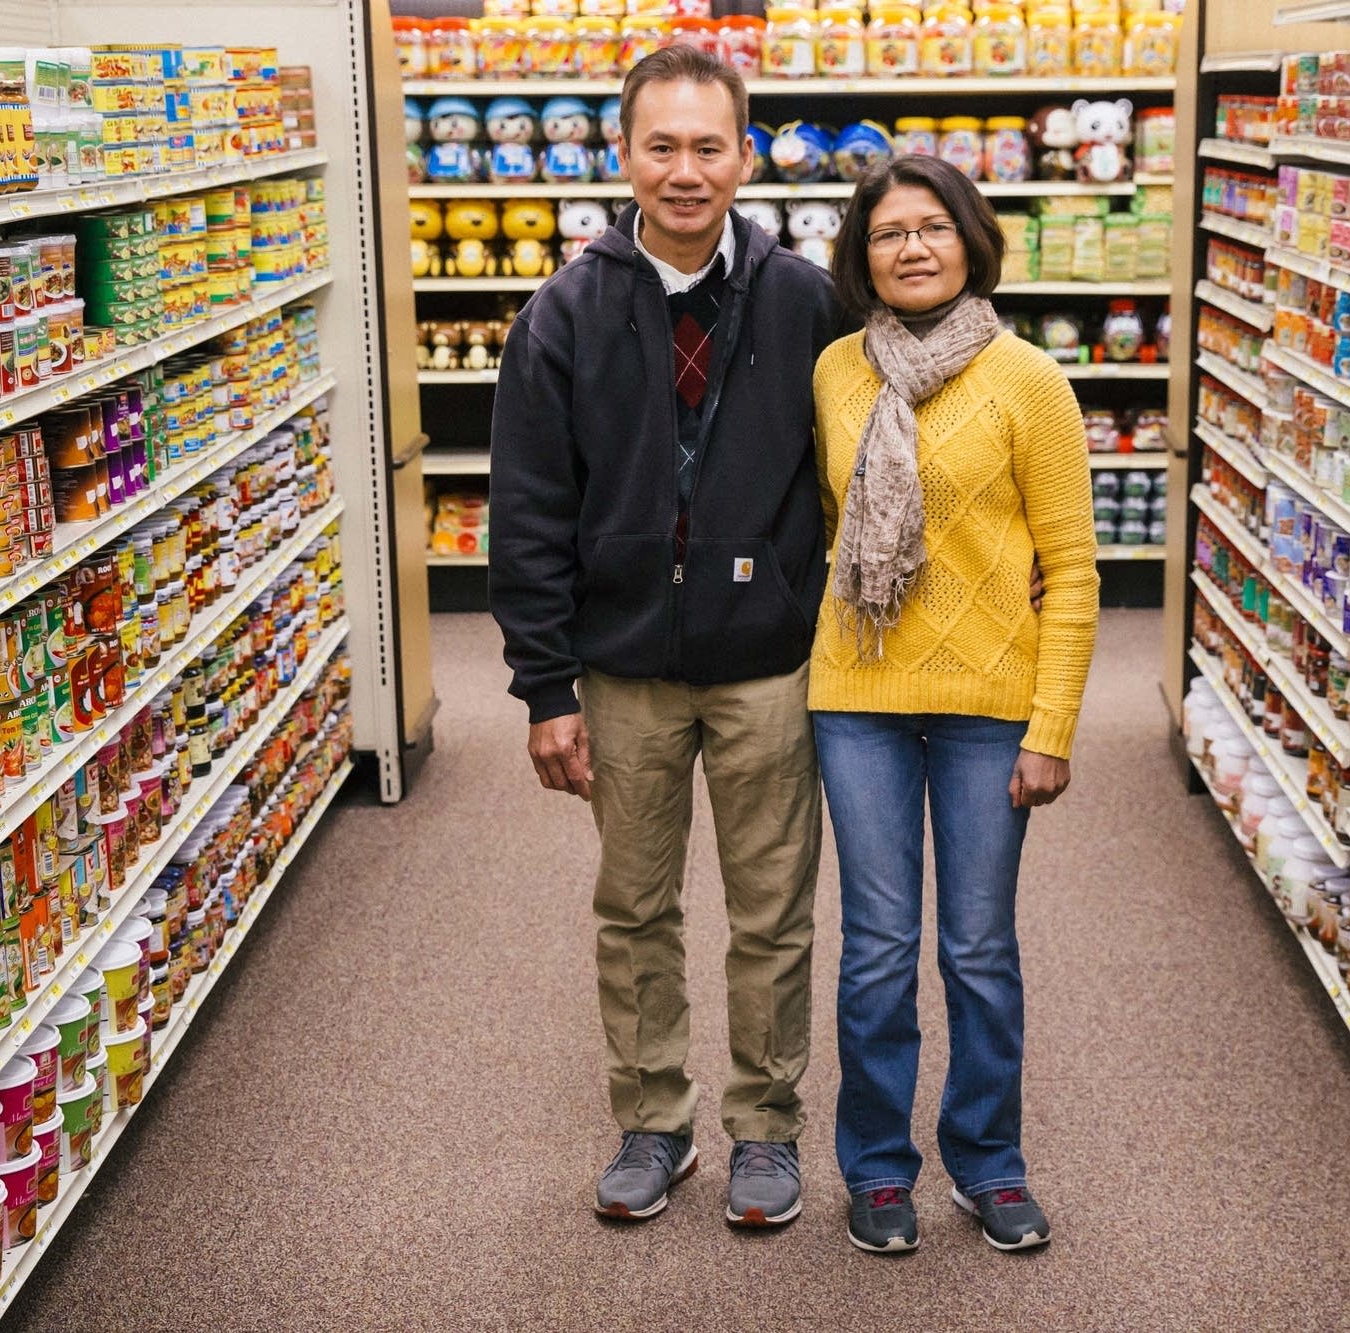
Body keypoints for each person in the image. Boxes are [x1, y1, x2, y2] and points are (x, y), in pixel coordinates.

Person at [486, 46, 842, 1230]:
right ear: (620, 153)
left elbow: (849, 474)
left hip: (764, 663)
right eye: (661, 146)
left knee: (771, 908)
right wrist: (544, 686)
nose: (684, 171)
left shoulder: (802, 299)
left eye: (707, 147)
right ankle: (652, 1119)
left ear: (746, 155)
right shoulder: (563, 312)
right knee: (633, 905)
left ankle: (765, 1128)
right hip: (623, 664)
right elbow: (528, 508)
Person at [811, 154, 1098, 1256]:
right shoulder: (834, 372)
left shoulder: (1031, 379)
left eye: (932, 227)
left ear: (971, 241)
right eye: (888, 234)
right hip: (857, 692)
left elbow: (1071, 568)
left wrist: (1053, 725)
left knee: (977, 947)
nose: (912, 248)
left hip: (990, 704)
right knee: (876, 947)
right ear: (862, 256)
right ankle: (877, 1169)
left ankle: (987, 1162)